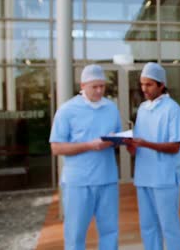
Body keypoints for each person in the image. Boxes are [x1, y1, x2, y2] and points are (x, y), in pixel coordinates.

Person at [50, 64, 122, 250]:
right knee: (75, 234)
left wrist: (115, 141)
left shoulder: (111, 108)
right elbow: (56, 147)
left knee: (110, 231)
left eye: (102, 86)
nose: (99, 91)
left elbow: (119, 137)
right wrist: (89, 145)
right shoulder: (67, 110)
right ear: (82, 86)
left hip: (107, 180)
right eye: (94, 87)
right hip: (78, 182)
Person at [125, 62, 180, 250]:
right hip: (144, 177)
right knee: (148, 227)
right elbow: (140, 143)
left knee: (169, 227)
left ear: (161, 85)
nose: (144, 89)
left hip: (164, 177)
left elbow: (175, 146)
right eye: (142, 84)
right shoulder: (142, 109)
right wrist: (131, 146)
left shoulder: (173, 109)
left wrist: (145, 143)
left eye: (149, 84)